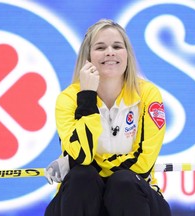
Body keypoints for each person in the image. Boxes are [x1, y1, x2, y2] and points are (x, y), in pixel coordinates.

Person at [44, 19, 171, 216]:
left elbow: (143, 163)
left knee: (123, 182)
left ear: (127, 54)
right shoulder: (68, 99)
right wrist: (86, 97)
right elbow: (82, 157)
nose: (110, 52)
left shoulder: (148, 94)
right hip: (81, 198)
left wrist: (72, 164)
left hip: (133, 198)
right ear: (88, 57)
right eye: (101, 47)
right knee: (82, 177)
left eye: (117, 46)